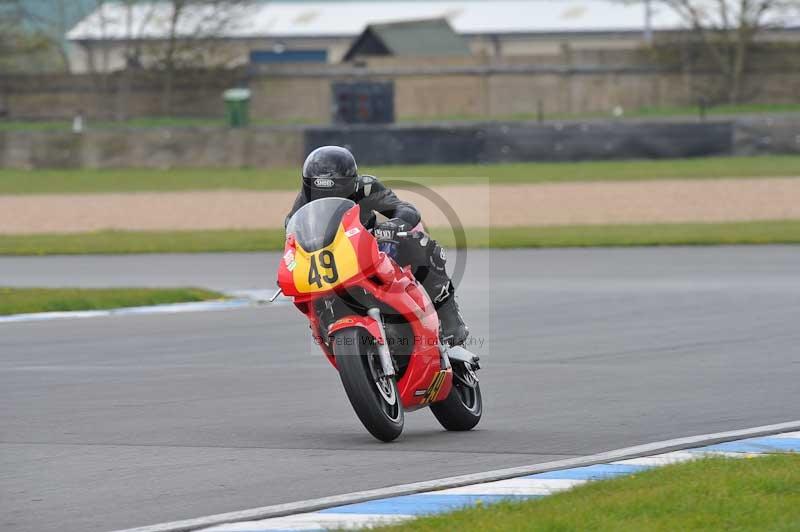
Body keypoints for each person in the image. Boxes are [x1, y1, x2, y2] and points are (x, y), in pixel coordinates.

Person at [285, 145, 469, 346]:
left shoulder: (365, 187)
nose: (326, 196)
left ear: (351, 182)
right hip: (332, 259)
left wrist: (393, 225)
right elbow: (292, 234)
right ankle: (322, 328)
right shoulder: (303, 202)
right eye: (319, 191)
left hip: (370, 248)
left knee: (421, 244)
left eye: (336, 190)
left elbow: (404, 209)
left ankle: (450, 319)